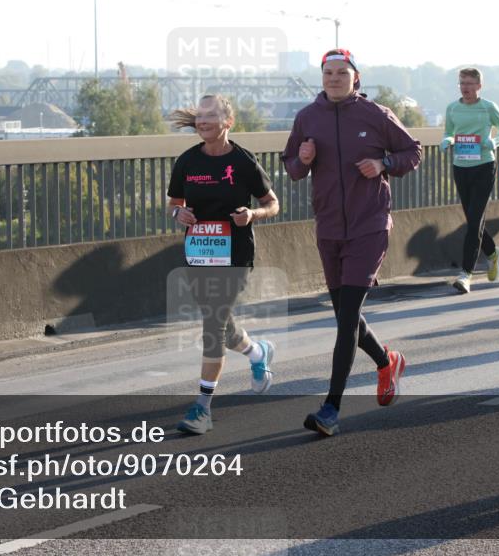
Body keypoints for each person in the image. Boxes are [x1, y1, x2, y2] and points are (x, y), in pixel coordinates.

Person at [282, 49, 421, 437]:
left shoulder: (376, 115)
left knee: (345, 321)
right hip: (328, 228)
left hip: (369, 225)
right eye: (328, 73)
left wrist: (384, 165)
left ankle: (331, 408)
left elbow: (413, 151)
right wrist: (303, 159)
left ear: (355, 78)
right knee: (346, 314)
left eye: (342, 72)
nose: (334, 78)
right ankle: (386, 361)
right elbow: (291, 168)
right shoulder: (307, 117)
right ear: (321, 77)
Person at [167, 95, 280, 434]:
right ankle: (258, 352)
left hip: (235, 253)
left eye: (211, 116)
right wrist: (178, 214)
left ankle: (202, 407)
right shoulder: (187, 161)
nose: (203, 122)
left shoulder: (243, 161)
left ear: (227, 122)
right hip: (199, 252)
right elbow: (174, 203)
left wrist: (252, 215)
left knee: (212, 326)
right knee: (220, 325)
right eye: (200, 116)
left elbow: (272, 203)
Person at [440, 68, 499, 293]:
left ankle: (466, 274)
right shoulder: (452, 108)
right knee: (473, 219)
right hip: (460, 166)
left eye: (470, 84)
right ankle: (492, 253)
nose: (466, 88)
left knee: (474, 221)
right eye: (462, 83)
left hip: (484, 166)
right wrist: (447, 140)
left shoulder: (488, 107)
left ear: (479, 86)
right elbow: (449, 131)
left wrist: (495, 141)